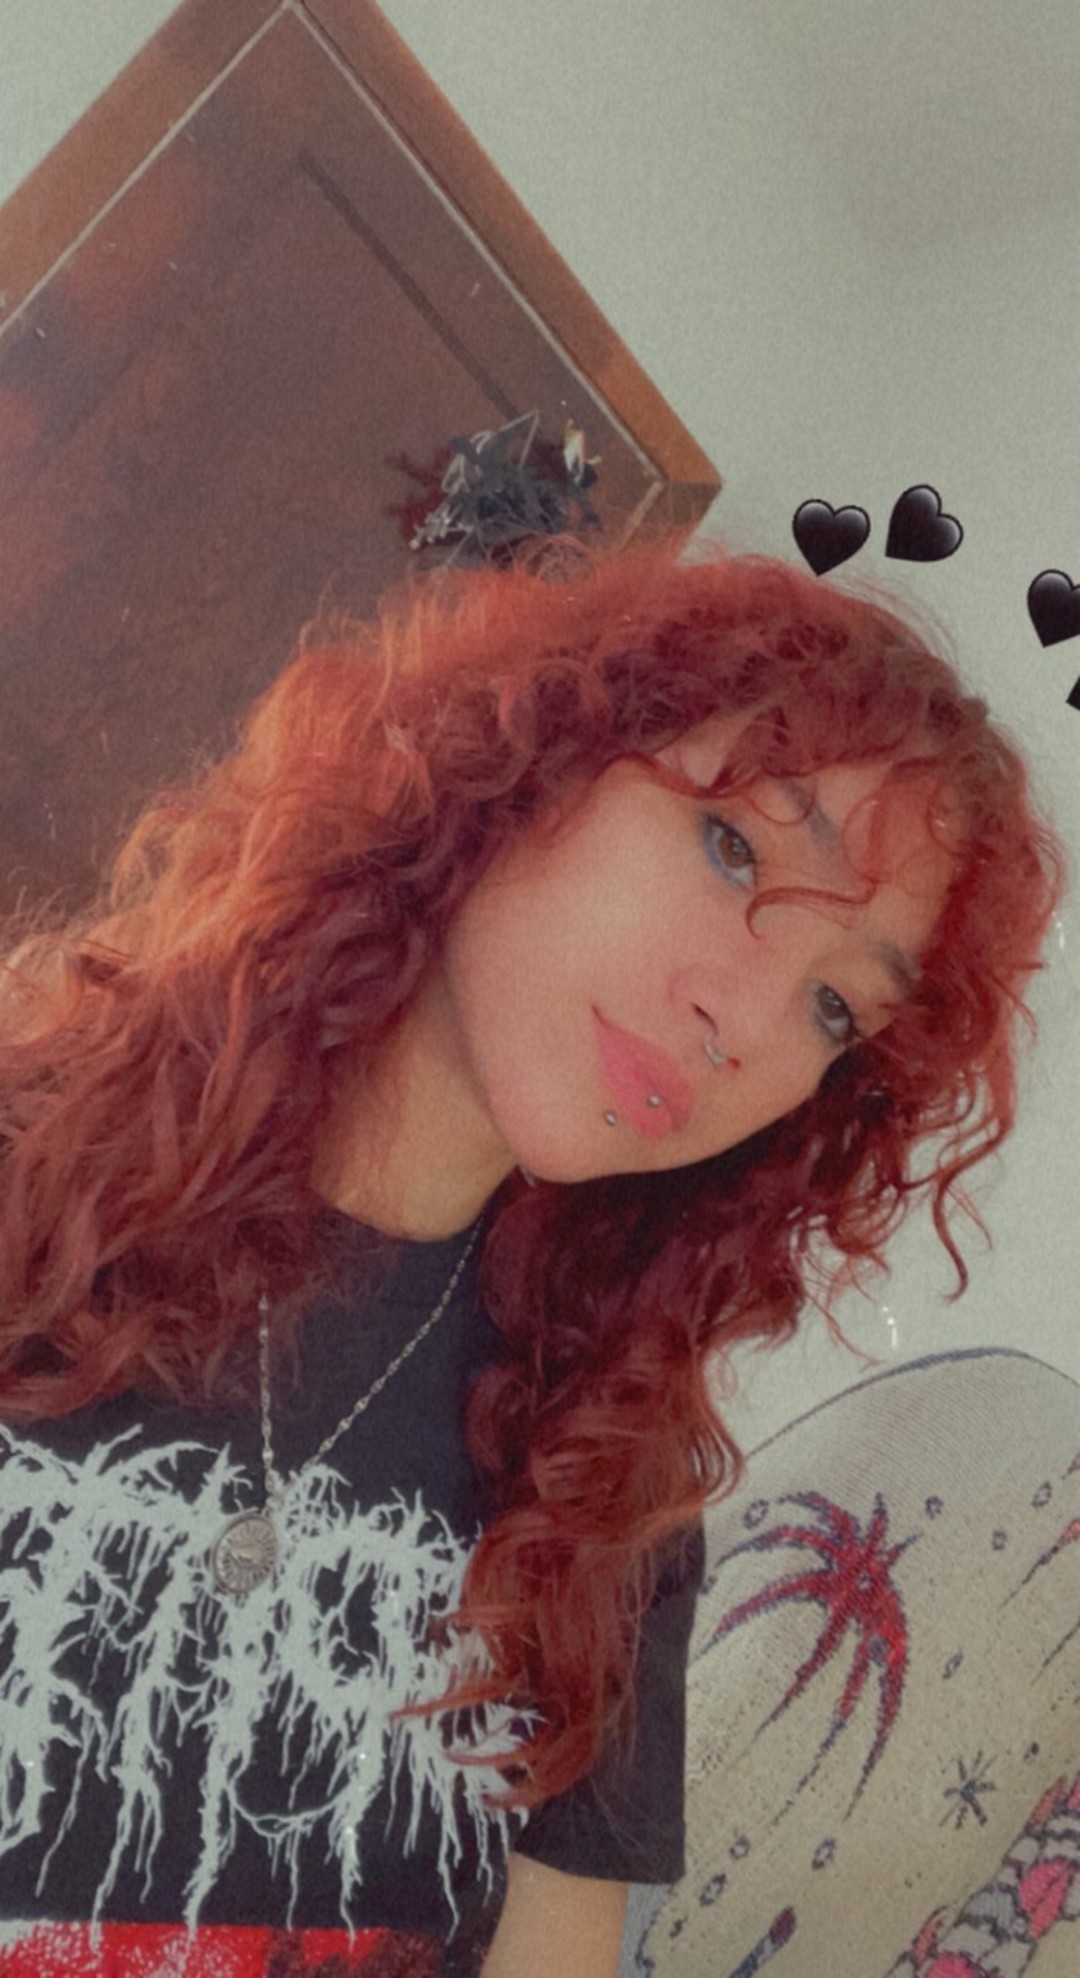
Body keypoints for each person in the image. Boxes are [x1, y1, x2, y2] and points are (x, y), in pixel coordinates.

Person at [0, 536, 1063, 1978]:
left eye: (834, 1010)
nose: (745, 1022)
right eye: (736, 847)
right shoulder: (37, 1161)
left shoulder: (605, 1498)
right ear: (536, 754)